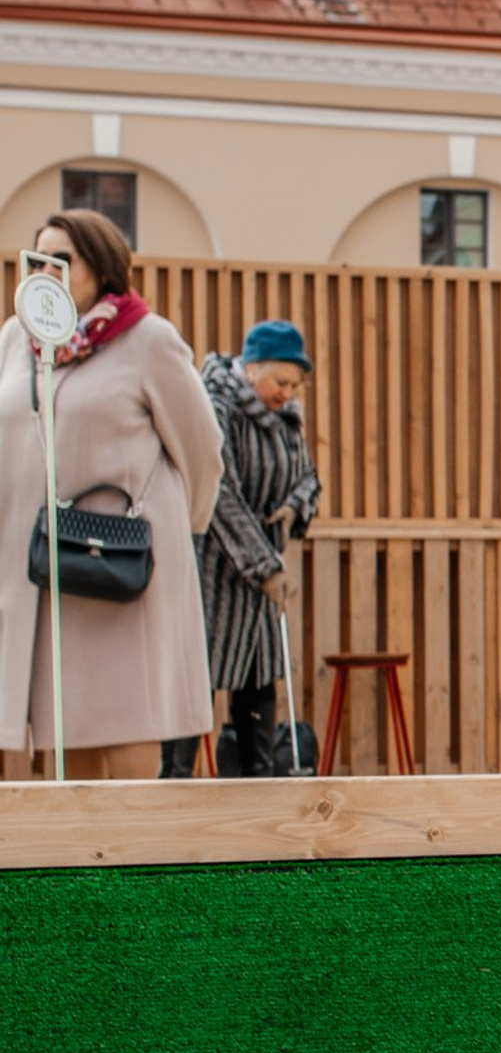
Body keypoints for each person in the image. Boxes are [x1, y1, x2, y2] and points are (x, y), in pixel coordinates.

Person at [0, 210, 221, 779]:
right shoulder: (16, 340)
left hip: (117, 566)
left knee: (123, 723)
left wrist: (173, 540)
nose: (46, 272)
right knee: (58, 727)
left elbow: (201, 453)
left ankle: (132, 865)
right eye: (37, 259)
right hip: (37, 572)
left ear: (100, 267)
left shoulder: (148, 340)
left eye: (63, 260)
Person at [178, 318, 322, 776]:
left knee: (258, 692)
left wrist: (295, 507)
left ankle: (260, 805)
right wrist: (263, 565)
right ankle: (172, 797)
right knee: (192, 689)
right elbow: (219, 490)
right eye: (280, 381)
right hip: (213, 575)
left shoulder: (286, 419)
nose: (287, 393)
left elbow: (308, 476)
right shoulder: (215, 404)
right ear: (251, 367)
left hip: (260, 592)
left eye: (294, 386)